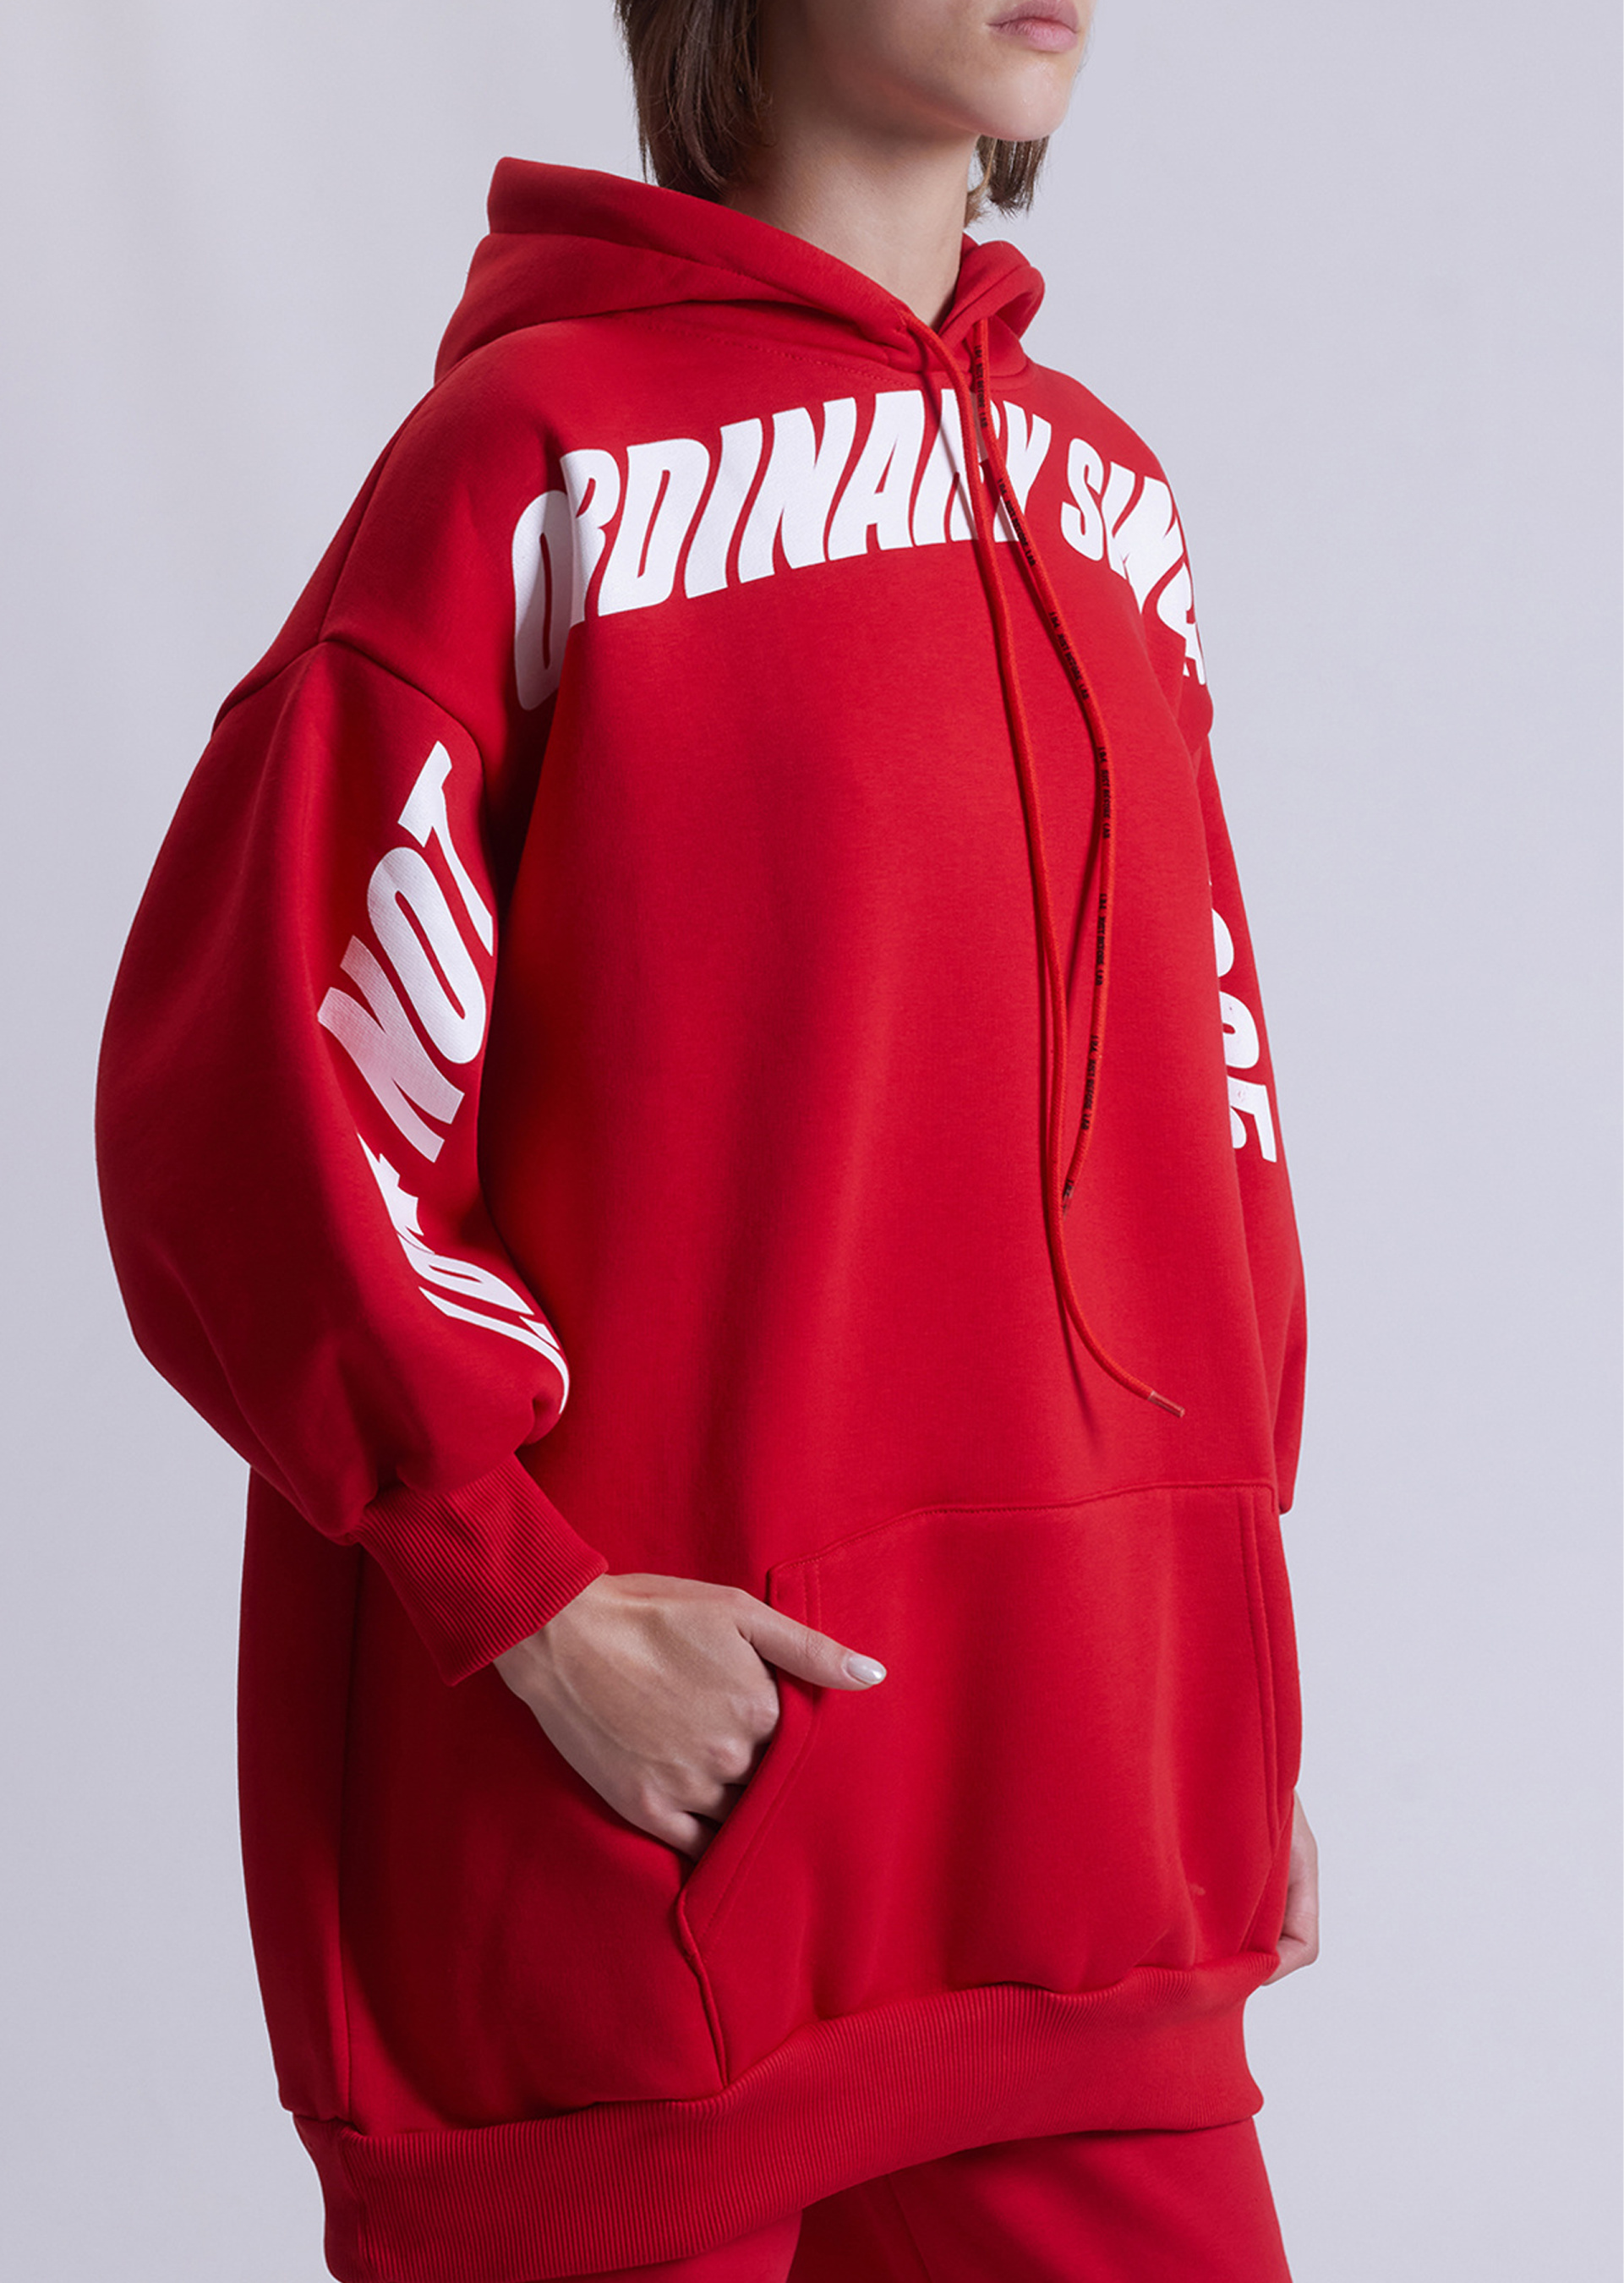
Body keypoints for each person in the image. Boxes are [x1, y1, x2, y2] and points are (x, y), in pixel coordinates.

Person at [96, 0, 1320, 2275]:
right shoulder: (530, 462)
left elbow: (1210, 1116)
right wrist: (525, 1598)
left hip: (1084, 1859)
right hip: (638, 1868)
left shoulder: (1109, 502)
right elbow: (258, 1096)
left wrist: (1215, 1684)